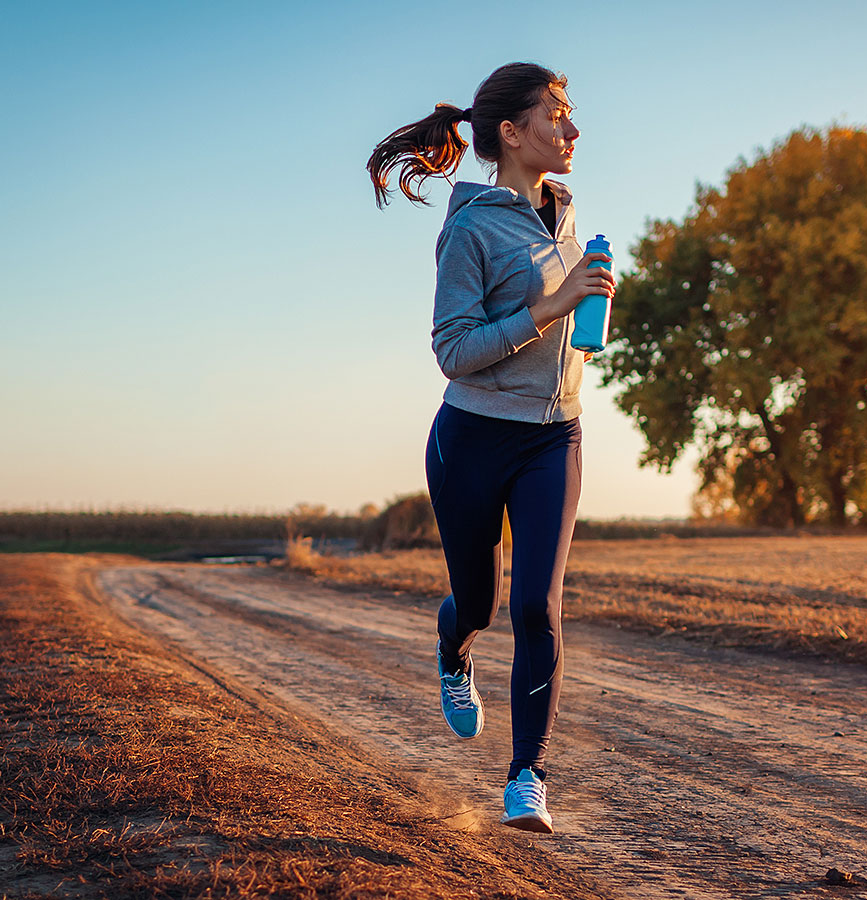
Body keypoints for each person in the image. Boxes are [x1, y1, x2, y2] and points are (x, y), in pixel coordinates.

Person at [365, 61, 613, 834]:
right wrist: (554, 305)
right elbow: (453, 350)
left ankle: (527, 778)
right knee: (480, 601)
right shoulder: (469, 227)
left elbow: (559, 320)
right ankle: (453, 650)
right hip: (472, 437)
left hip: (554, 438)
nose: (572, 129)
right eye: (557, 115)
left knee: (538, 603)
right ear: (512, 132)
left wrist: (588, 306)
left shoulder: (566, 213)